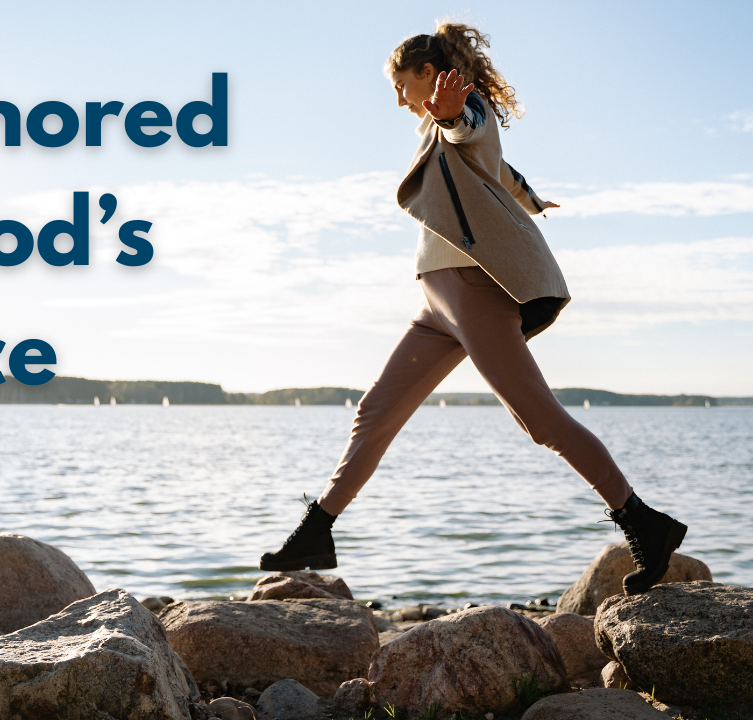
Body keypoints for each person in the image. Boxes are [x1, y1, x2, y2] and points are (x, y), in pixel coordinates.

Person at [259, 23, 686, 596]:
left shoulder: (462, 112)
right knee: (375, 412)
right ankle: (318, 530)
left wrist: (451, 114)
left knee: (540, 420)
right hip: (437, 300)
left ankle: (643, 521)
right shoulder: (433, 131)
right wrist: (530, 196)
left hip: (474, 289)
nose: (397, 97)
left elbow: (470, 130)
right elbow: (497, 171)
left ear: (430, 76)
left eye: (401, 84)